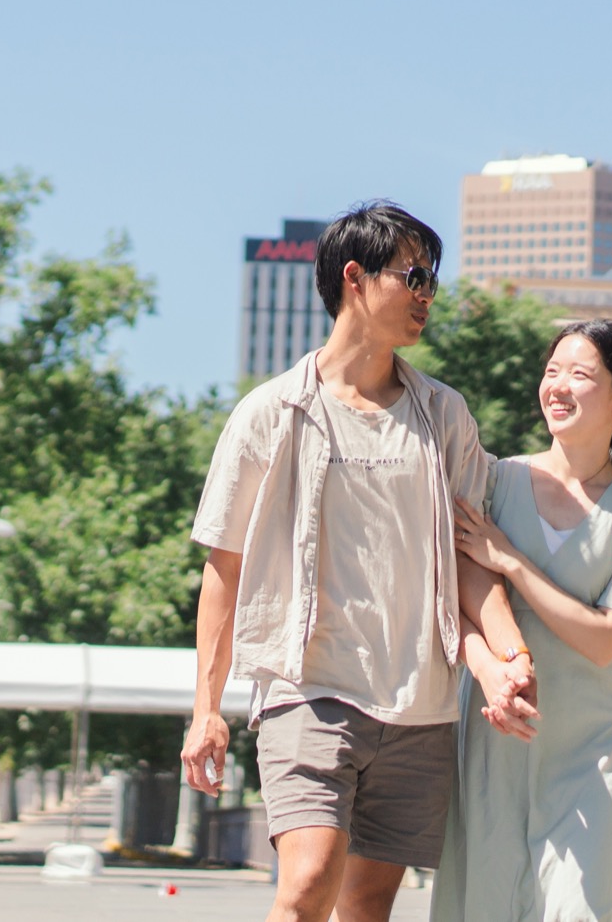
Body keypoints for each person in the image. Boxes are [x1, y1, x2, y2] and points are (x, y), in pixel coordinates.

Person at [184, 201, 538, 922]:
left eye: (431, 279)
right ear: (355, 277)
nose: (426, 295)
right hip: (308, 688)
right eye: (413, 276)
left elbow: (472, 557)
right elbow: (225, 570)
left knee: (368, 905)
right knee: (307, 884)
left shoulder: (443, 415)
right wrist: (206, 710)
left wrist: (510, 655)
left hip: (419, 703)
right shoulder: (271, 412)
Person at [435, 319, 612, 922]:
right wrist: (494, 666)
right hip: (493, 736)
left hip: (589, 751)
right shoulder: (491, 481)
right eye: (552, 372)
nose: (558, 386)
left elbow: (605, 638)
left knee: (581, 911)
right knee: (485, 906)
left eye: (580, 374)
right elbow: (452, 598)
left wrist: (510, 561)